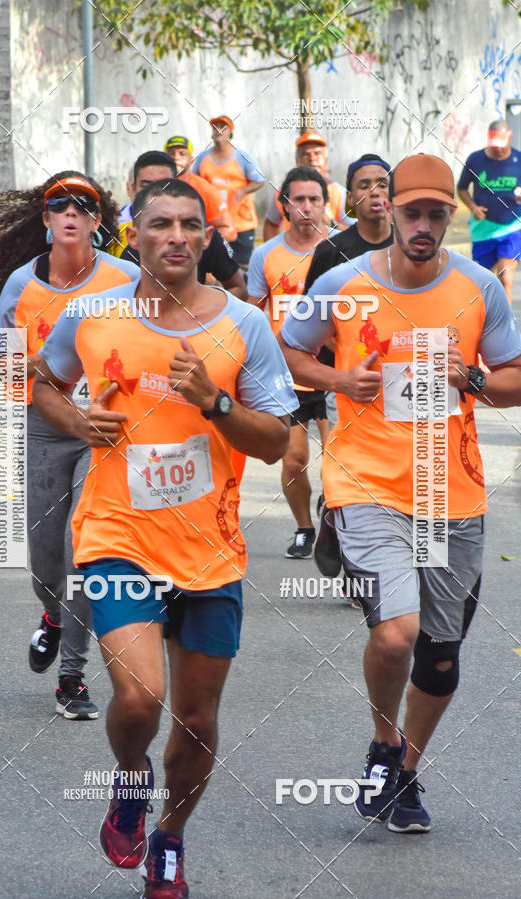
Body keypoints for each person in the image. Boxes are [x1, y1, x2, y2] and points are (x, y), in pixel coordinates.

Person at [32, 177, 296, 896]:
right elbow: (44, 381)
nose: (175, 235)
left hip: (209, 551)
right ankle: (128, 775)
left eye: (189, 223)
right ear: (134, 233)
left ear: (208, 236)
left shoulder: (243, 325)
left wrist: (213, 400)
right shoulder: (90, 315)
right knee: (142, 698)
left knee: (200, 719)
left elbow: (276, 441)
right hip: (117, 533)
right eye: (160, 223)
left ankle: (171, 839)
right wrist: (79, 422)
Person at [280, 153, 521, 833]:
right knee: (396, 634)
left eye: (434, 214)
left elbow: (516, 378)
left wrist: (472, 377)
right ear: (387, 212)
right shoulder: (341, 284)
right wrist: (336, 380)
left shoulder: (479, 289)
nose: (421, 225)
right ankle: (383, 741)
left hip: (453, 493)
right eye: (410, 211)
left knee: (440, 657)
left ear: (452, 215)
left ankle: (403, 770)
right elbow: (288, 350)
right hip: (366, 482)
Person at [0, 172, 139, 719]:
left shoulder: (125, 278)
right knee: (46, 559)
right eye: (59, 205)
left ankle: (72, 675)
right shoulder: (22, 286)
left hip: (104, 432)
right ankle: (52, 615)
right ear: (45, 220)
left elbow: (154, 341)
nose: (71, 212)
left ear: (98, 222)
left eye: (83, 206)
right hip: (44, 424)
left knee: (80, 551)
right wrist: (43, 366)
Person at [303, 153, 393, 587]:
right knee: (356, 474)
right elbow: (307, 329)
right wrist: (340, 369)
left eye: (382, 182)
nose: (375, 191)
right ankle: (362, 577)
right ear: (350, 199)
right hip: (346, 384)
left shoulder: (414, 244)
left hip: (406, 383)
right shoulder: (333, 252)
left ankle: (333, 513)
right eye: (364, 185)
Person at [247, 165, 329, 558]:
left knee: (341, 464)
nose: (307, 207)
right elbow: (251, 316)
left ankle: (337, 522)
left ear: (326, 204)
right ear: (284, 205)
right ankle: (304, 529)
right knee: (294, 461)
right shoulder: (266, 255)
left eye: (315, 199)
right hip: (285, 377)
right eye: (299, 199)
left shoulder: (339, 251)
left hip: (332, 374)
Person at [112, 150, 247, 300]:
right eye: (146, 186)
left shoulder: (202, 235)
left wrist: (208, 313)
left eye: (165, 185)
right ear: (133, 237)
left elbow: (237, 288)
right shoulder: (116, 233)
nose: (156, 193)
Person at [457, 120, 521, 303]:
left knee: (505, 277)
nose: (499, 150)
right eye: (495, 146)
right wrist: (472, 207)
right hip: (483, 229)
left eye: (502, 146)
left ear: (510, 137)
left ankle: (507, 326)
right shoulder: (475, 160)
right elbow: (461, 188)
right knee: (486, 280)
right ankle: (488, 320)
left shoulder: (519, 160)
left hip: (512, 227)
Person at [192, 115, 265, 268]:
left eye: (223, 127)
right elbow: (193, 183)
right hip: (214, 224)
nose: (218, 130)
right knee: (214, 267)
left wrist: (243, 191)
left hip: (241, 223)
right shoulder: (202, 158)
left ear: (230, 133)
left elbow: (259, 180)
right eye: (215, 127)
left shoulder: (242, 157)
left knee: (242, 266)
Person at [263, 131, 355, 242]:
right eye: (306, 154)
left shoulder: (339, 193)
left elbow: (356, 232)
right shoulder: (283, 192)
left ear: (325, 160)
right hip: (293, 256)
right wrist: (273, 253)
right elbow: (271, 223)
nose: (312, 158)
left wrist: (331, 224)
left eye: (317, 153)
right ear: (297, 160)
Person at [164, 135, 237, 241]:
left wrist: (196, 244)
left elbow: (229, 231)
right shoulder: (154, 186)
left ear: (191, 160)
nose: (176, 157)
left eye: (182, 153)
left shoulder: (204, 189)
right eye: (171, 153)